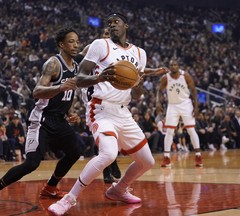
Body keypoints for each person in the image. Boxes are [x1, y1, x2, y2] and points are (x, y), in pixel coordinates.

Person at [48, 12, 166, 215]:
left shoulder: (140, 53)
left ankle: (118, 190)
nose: (112, 25)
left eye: (116, 22)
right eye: (109, 23)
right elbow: (80, 78)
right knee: (109, 154)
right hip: (100, 109)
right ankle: (69, 199)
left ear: (126, 26)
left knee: (148, 161)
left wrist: (136, 84)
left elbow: (137, 94)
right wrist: (99, 78)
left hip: (123, 112)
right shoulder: (99, 45)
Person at [0, 27, 84, 209]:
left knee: (77, 149)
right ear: (61, 44)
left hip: (59, 119)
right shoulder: (53, 64)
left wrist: (69, 112)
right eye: (71, 41)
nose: (76, 45)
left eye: (77, 41)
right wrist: (59, 88)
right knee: (32, 163)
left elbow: (70, 92)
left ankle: (50, 187)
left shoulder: (76, 65)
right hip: (41, 120)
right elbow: (36, 92)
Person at [75, 27, 121, 184]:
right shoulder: (93, 47)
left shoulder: (119, 51)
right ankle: (108, 169)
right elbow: (76, 61)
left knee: (111, 132)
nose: (107, 36)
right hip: (91, 89)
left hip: (110, 93)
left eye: (110, 34)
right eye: (106, 33)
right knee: (100, 133)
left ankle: (112, 160)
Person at [156, 58, 203, 167]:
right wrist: (158, 103)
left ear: (178, 66)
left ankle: (198, 155)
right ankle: (166, 157)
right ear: (169, 66)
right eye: (171, 65)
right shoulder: (165, 78)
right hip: (172, 105)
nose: (173, 66)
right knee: (169, 131)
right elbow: (159, 91)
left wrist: (196, 107)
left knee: (191, 130)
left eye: (175, 64)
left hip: (186, 104)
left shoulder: (185, 76)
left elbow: (194, 91)